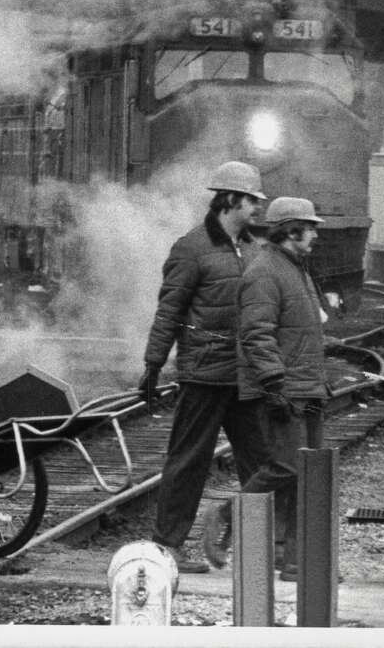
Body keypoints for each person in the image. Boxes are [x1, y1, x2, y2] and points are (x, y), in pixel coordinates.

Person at [138, 161, 270, 573]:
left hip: (244, 375)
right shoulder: (192, 248)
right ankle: (167, 548)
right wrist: (154, 363)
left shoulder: (253, 250)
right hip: (203, 374)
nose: (257, 209)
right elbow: (170, 311)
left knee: (263, 463)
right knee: (189, 461)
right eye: (251, 201)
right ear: (230, 199)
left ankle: (255, 548)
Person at [203, 196, 330, 581]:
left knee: (306, 474)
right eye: (310, 228)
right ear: (291, 230)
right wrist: (274, 385)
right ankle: (224, 514)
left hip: (308, 387)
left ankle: (295, 562)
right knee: (287, 465)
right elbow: (256, 335)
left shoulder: (296, 268)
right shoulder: (265, 271)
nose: (315, 235)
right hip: (286, 388)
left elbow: (297, 328)